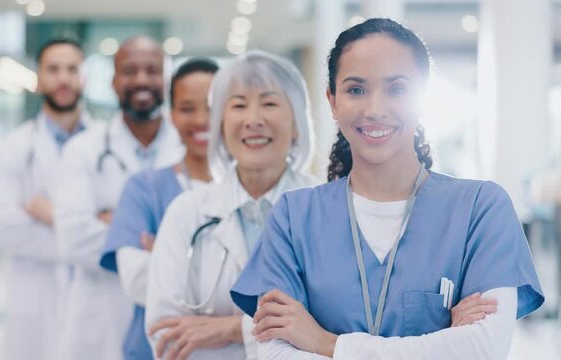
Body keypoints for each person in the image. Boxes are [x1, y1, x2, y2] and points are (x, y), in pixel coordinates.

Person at [230, 18, 544, 359]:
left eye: (397, 89)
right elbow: (276, 354)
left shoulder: (480, 208)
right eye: (355, 90)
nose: (375, 110)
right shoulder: (293, 216)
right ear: (332, 101)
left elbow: (483, 349)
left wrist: (326, 343)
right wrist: (443, 343)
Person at [145, 50, 320, 360]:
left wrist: (230, 329)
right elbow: (167, 336)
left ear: (296, 123)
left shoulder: (325, 208)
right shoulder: (188, 213)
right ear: (221, 125)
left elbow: (334, 330)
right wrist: (279, 331)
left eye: (269, 103)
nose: (253, 120)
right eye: (238, 105)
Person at [53, 36, 185, 360]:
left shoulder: (191, 149)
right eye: (129, 71)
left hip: (178, 318)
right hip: (102, 316)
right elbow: (73, 238)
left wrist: (118, 224)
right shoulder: (82, 151)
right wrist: (172, 244)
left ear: (166, 79)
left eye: (152, 70)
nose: (141, 79)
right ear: (114, 81)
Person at [100, 58, 219, 359]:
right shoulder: (144, 188)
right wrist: (224, 269)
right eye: (187, 108)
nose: (201, 119)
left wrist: (168, 257)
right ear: (171, 114)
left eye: (212, 106)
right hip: (156, 350)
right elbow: (137, 281)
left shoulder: (250, 187)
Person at [0, 39, 90, 360]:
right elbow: (2, 229)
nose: (63, 79)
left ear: (83, 77)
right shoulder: (16, 146)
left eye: (72, 69)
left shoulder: (105, 145)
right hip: (34, 298)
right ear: (39, 79)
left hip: (91, 299)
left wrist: (52, 216)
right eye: (53, 69)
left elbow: (116, 228)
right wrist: (83, 233)